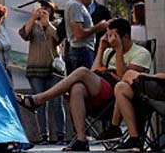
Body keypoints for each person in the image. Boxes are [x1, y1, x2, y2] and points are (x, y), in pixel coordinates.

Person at [17, 19, 151, 152]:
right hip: (101, 87)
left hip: (118, 93)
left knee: (81, 71)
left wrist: (119, 49)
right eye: (108, 36)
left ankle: (38, 99)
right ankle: (81, 139)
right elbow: (94, 72)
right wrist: (101, 48)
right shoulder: (108, 52)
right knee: (77, 88)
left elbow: (126, 78)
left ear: (125, 36)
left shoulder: (141, 53)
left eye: (112, 36)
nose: (110, 40)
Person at [19, 0, 65, 145]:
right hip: (35, 70)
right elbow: (24, 34)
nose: (44, 10)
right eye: (41, 8)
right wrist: (33, 18)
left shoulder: (57, 23)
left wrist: (47, 24)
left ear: (52, 10)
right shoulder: (32, 24)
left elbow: (58, 38)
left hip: (54, 71)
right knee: (38, 103)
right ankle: (43, 136)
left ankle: (60, 135)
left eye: (47, 8)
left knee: (57, 102)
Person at [64, 0, 109, 73]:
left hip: (84, 50)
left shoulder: (79, 5)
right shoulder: (75, 5)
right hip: (81, 50)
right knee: (86, 81)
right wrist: (98, 27)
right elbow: (79, 33)